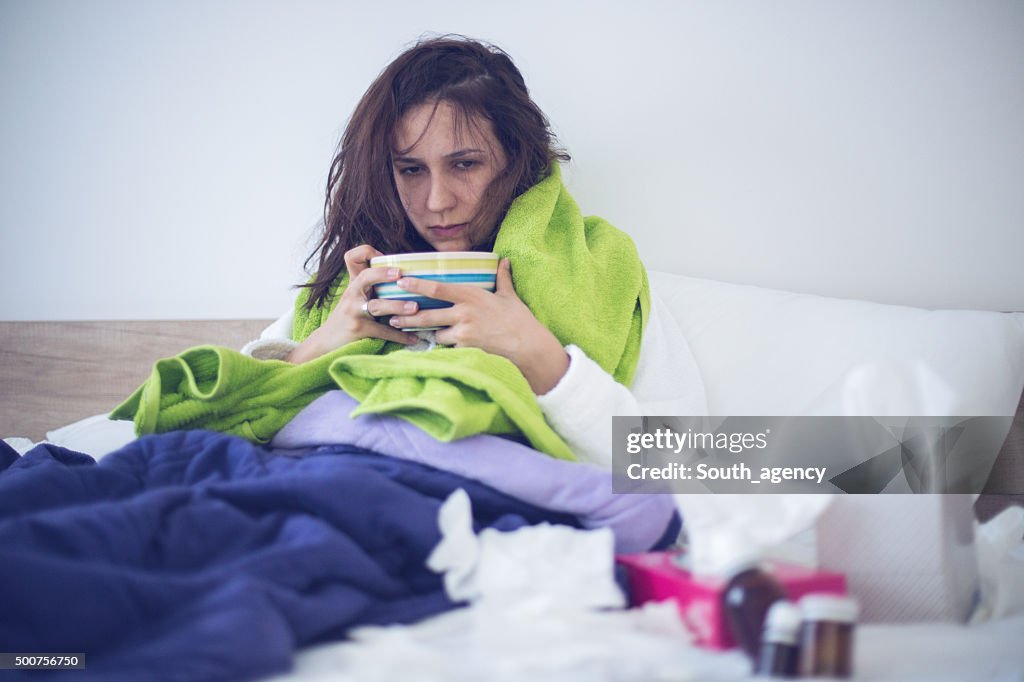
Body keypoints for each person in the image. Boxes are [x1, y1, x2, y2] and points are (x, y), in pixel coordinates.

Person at [243, 35, 707, 467]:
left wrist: (546, 363)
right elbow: (227, 427)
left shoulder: (601, 269)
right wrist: (319, 346)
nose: (437, 201)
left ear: (516, 157)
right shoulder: (354, 281)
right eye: (410, 170)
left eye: (464, 164)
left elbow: (703, 466)